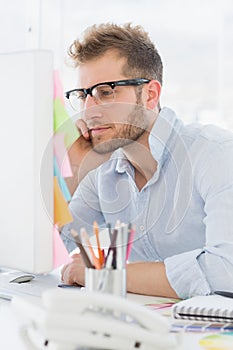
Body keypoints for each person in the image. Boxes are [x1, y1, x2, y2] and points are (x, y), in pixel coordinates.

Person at [61, 23, 233, 299]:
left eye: (106, 91)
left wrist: (106, 272)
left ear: (150, 95)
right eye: (83, 95)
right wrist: (72, 174)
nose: (89, 111)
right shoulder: (104, 169)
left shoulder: (216, 154)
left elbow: (226, 271)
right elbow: (60, 251)